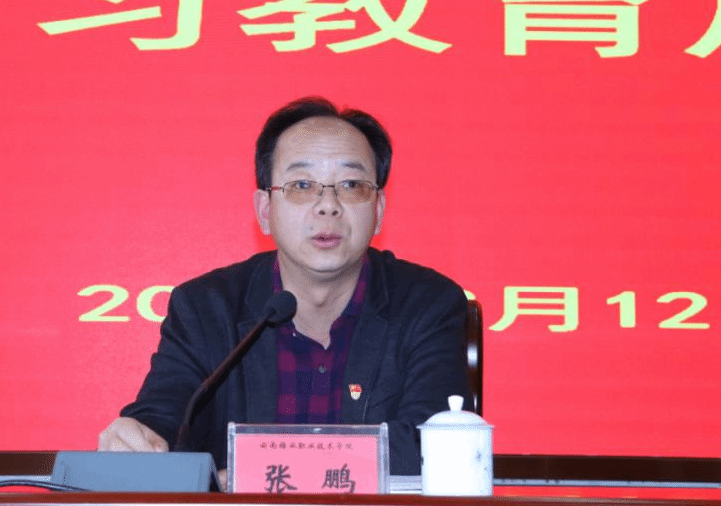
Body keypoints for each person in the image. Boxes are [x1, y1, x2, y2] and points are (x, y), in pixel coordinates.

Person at [98, 96, 472, 476]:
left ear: (378, 210)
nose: (328, 205)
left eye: (351, 184)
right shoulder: (204, 308)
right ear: (265, 211)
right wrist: (137, 437)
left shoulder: (429, 305)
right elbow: (162, 418)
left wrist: (255, 474)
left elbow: (434, 447)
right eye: (302, 185)